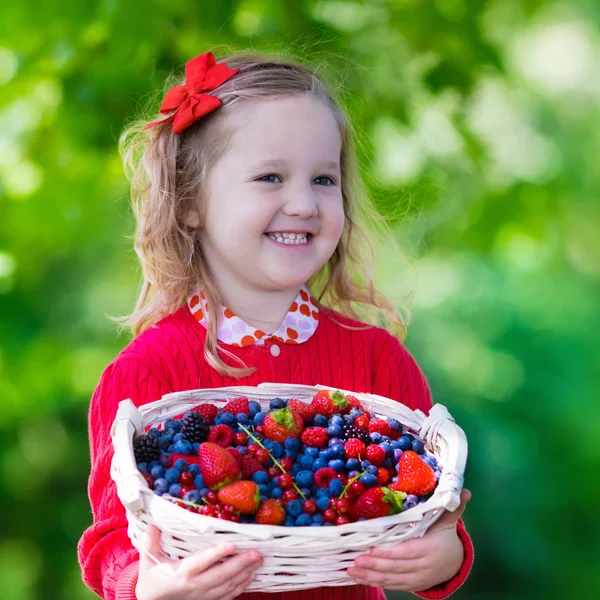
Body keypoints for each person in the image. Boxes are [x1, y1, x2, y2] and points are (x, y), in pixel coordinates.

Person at [77, 50, 474, 600]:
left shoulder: (378, 360)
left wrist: (445, 558)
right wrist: (146, 586)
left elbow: (434, 512)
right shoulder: (145, 373)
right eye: (270, 176)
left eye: (323, 179)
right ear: (190, 203)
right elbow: (112, 545)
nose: (303, 203)